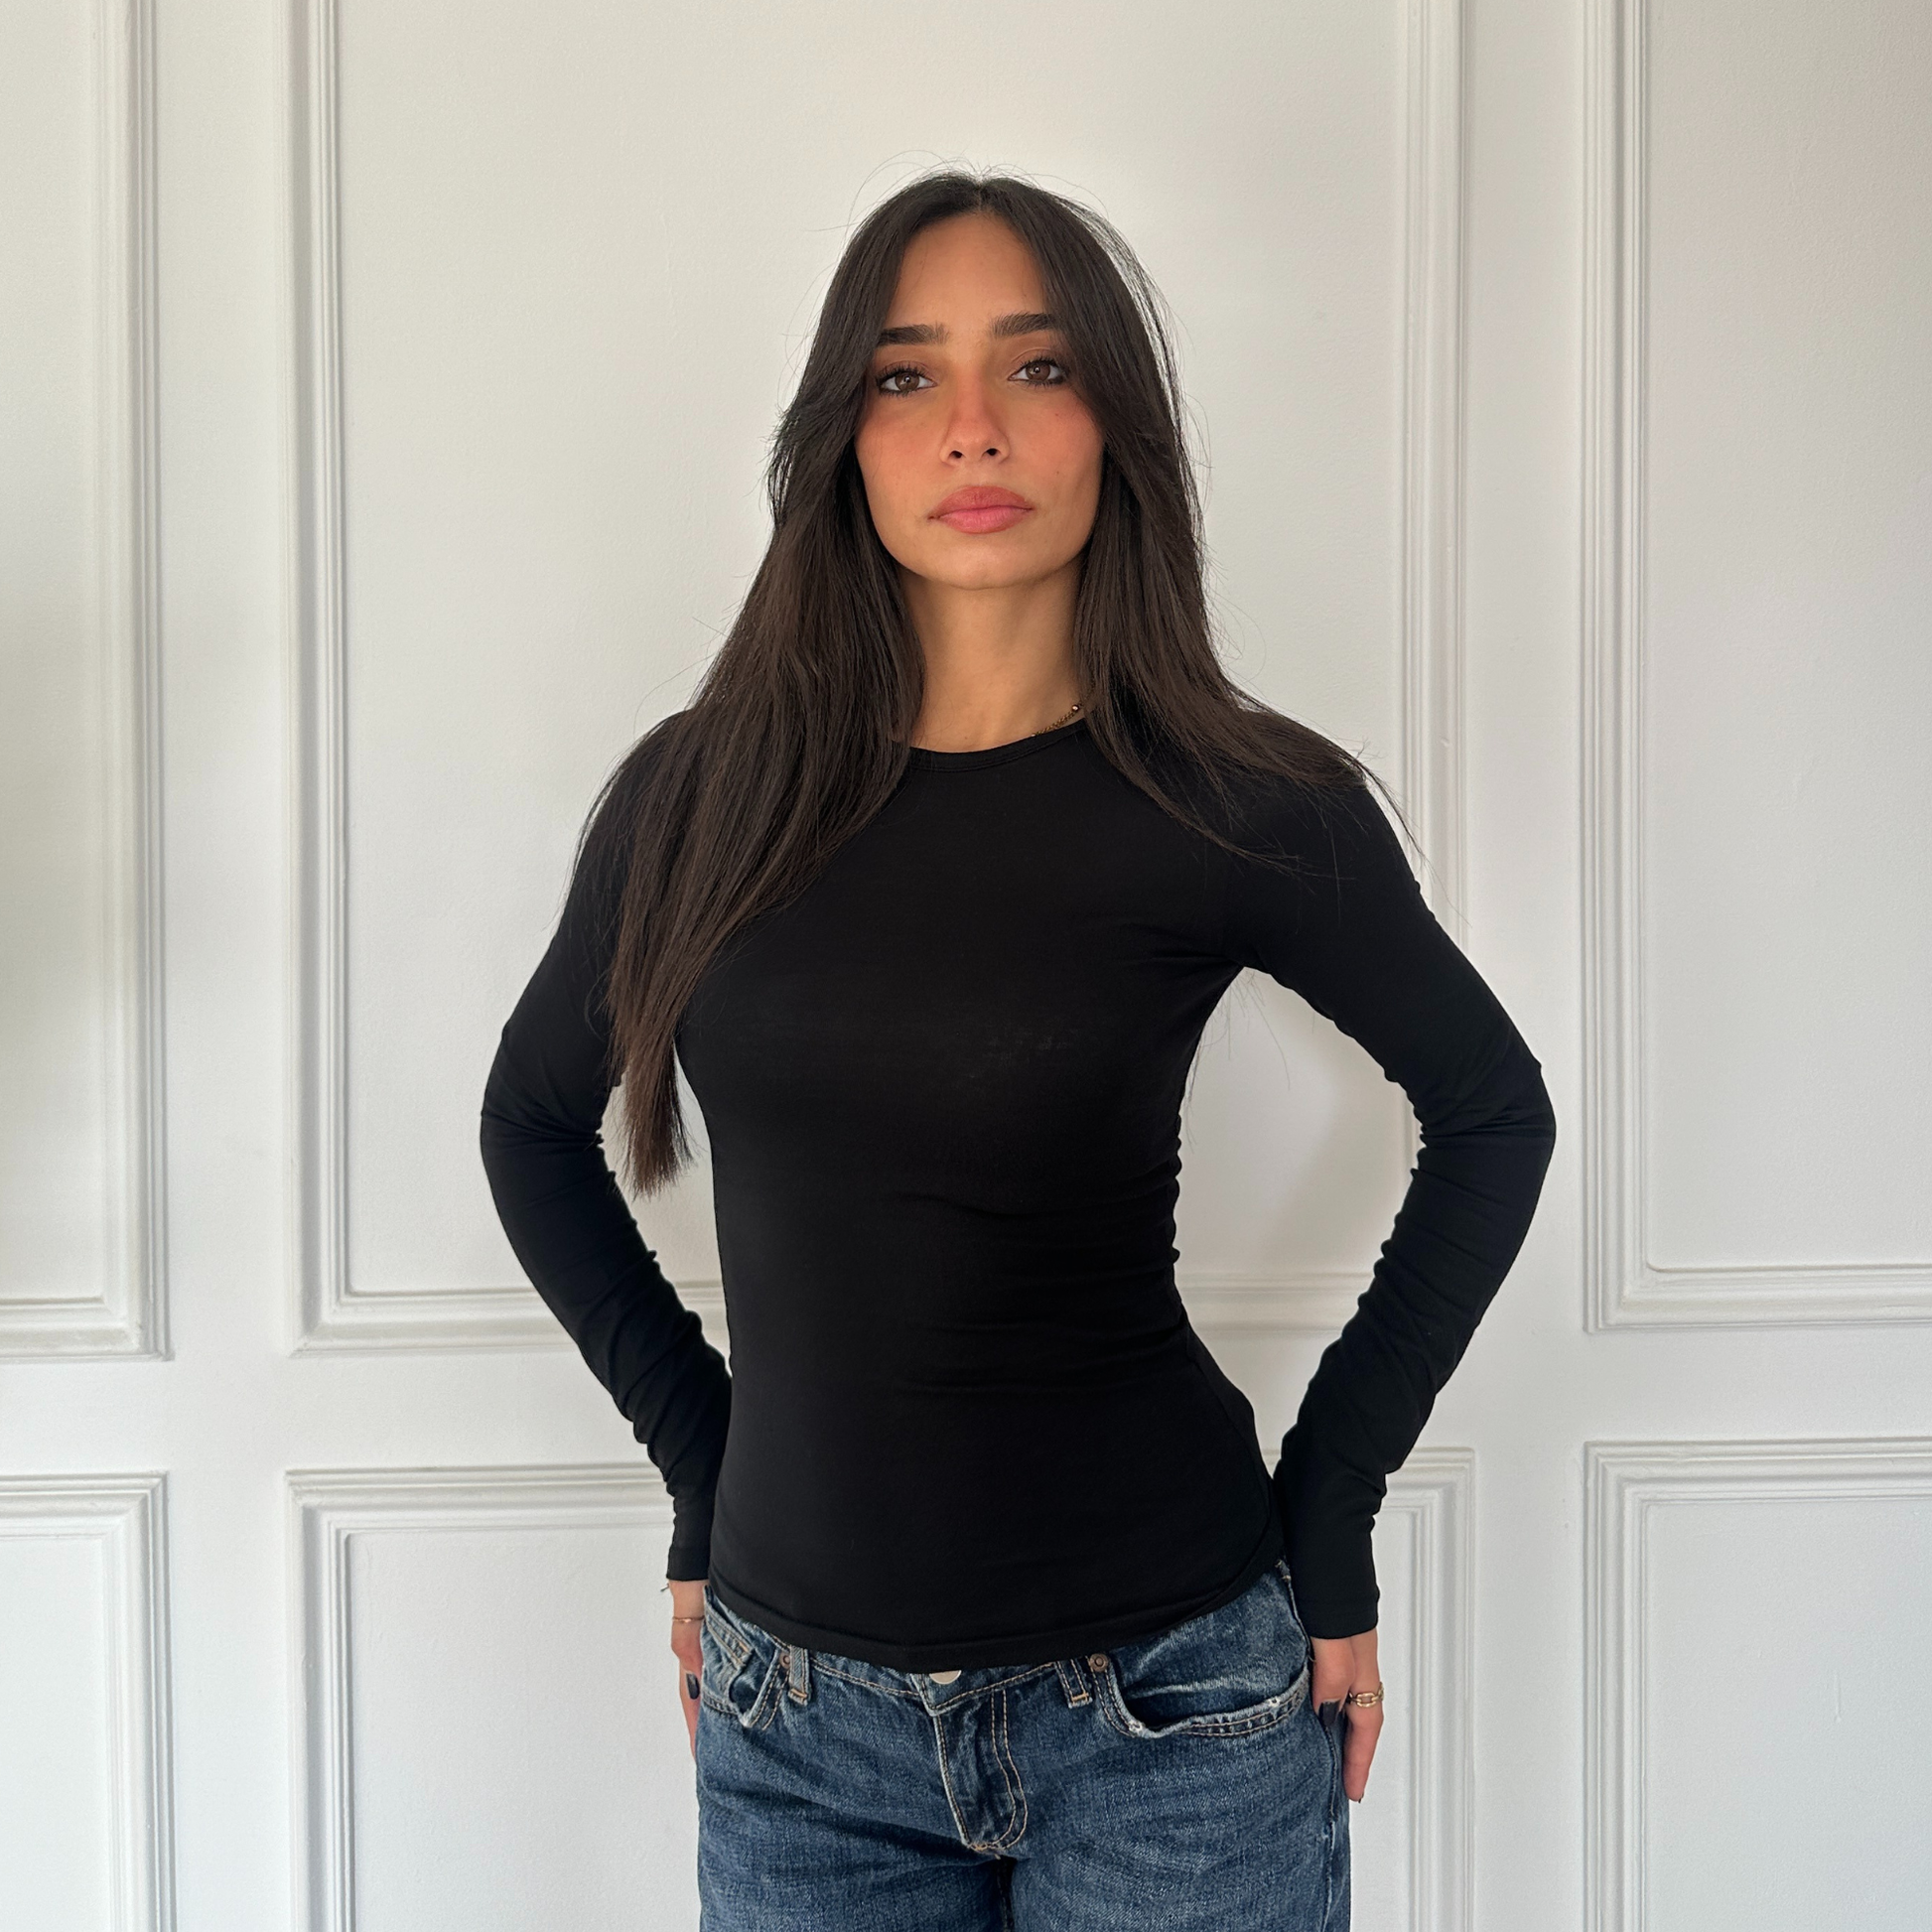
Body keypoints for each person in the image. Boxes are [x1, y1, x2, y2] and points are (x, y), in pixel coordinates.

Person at [479, 168, 1557, 1931]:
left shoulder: (1241, 801)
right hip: (794, 1728)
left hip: (1173, 1710)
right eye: (905, 375)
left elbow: (1493, 1114)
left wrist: (1334, 1506)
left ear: (1115, 420)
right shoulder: (698, 796)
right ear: (839, 435)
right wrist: (702, 1472)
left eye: (1035, 367)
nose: (970, 426)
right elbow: (531, 1128)